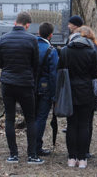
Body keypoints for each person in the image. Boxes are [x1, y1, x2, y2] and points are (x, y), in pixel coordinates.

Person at [0, 11, 44, 165]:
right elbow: (35, 64)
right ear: (27, 24)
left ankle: (13, 155)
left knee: (10, 118)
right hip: (25, 84)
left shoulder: (3, 38)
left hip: (8, 84)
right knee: (30, 119)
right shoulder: (32, 40)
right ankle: (32, 155)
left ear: (15, 22)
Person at [58, 25, 97, 168]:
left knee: (71, 125)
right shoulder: (91, 52)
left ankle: (71, 157)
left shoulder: (64, 51)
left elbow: (60, 71)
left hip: (69, 92)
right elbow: (95, 74)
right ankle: (82, 159)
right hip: (86, 92)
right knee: (84, 125)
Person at [77, 26, 97, 159]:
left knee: (74, 120)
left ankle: (74, 150)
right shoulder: (95, 48)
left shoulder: (70, 47)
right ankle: (85, 150)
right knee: (88, 121)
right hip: (90, 86)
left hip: (73, 87)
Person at [34, 22, 59, 157]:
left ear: (38, 33)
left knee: (32, 117)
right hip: (45, 88)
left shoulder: (31, 46)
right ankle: (36, 147)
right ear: (51, 35)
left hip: (30, 86)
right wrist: (55, 95)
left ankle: (31, 144)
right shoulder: (51, 50)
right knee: (41, 118)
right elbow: (54, 74)